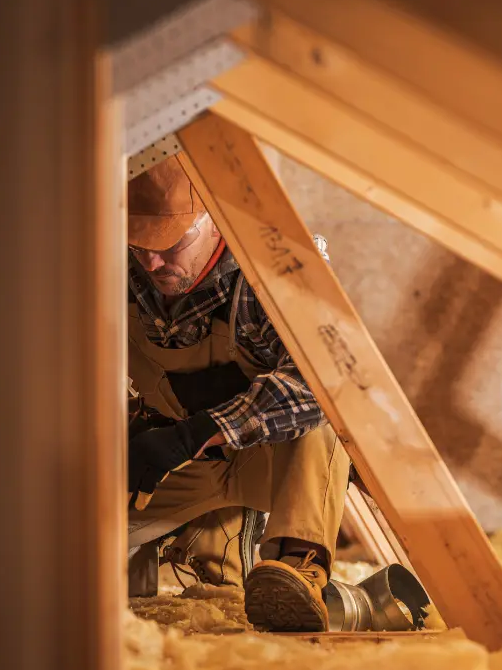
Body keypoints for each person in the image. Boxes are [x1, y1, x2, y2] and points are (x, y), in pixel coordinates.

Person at [125, 155, 349, 632]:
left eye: (171, 245)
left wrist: (197, 432)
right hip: (177, 462)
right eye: (140, 246)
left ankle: (295, 565)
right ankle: (214, 539)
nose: (152, 262)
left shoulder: (275, 263)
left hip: (271, 463)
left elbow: (323, 379)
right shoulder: (118, 269)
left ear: (214, 218)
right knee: (57, 540)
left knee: (322, 414)